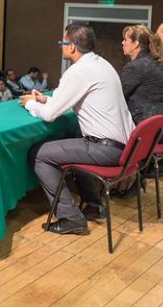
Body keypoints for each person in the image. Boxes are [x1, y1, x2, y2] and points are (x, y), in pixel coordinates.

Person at [22, 24, 135, 235]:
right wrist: (47, 99)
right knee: (75, 138)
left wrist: (30, 103)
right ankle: (94, 205)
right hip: (124, 147)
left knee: (38, 155)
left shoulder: (78, 71)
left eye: (62, 43)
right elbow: (73, 98)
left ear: (72, 47)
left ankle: (70, 217)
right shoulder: (103, 64)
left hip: (106, 149)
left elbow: (49, 115)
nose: (61, 47)